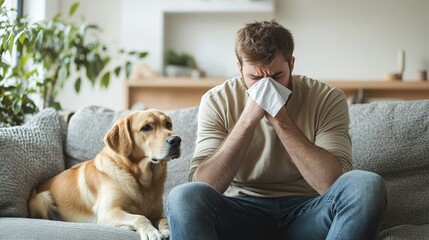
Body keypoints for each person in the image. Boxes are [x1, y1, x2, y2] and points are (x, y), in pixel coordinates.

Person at [166, 20, 386, 240]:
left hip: (308, 212)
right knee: (183, 197)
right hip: (238, 213)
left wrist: (281, 121)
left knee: (366, 185)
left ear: (291, 64)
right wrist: (247, 120)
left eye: (276, 77)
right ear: (239, 68)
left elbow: (332, 183)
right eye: (255, 78)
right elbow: (204, 184)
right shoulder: (217, 100)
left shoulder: (327, 98)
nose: (266, 87)